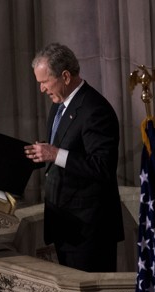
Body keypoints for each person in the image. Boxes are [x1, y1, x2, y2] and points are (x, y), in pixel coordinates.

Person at [25, 43, 124, 272]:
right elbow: (57, 154)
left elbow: (102, 167)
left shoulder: (95, 110)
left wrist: (55, 153)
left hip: (89, 231)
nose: (41, 89)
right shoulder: (59, 105)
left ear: (65, 76)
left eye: (44, 82)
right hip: (66, 226)